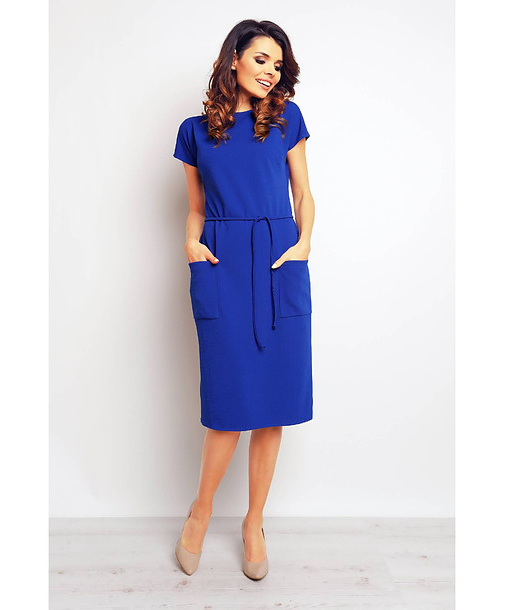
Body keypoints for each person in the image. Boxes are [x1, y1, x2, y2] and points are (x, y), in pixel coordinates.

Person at [173, 19, 315, 580]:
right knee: (228, 407)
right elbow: (196, 208)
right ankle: (200, 511)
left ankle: (254, 522)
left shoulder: (285, 119)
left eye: (278, 65)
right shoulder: (194, 132)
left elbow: (303, 192)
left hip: (279, 261)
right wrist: (191, 244)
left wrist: (303, 244)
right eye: (261, 60)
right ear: (233, 58)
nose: (270, 72)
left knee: (273, 406)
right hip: (223, 264)